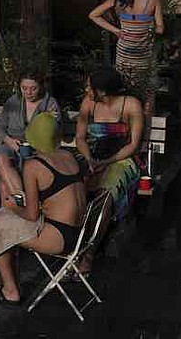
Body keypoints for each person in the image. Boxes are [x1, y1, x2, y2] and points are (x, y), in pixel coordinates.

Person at [0, 112, 87, 304]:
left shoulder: (33, 166)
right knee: (4, 221)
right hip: (80, 235)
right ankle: (11, 281)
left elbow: (31, 215)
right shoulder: (69, 156)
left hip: (56, 238)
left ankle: (10, 291)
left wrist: (12, 207)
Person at [74, 67, 144, 275]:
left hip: (122, 159)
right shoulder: (88, 104)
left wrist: (108, 162)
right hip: (92, 155)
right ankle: (66, 242)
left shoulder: (131, 105)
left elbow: (133, 145)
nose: (86, 89)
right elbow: (79, 138)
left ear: (102, 90)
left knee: (105, 194)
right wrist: (90, 159)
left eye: (90, 86)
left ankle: (89, 253)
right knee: (69, 182)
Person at [89, 0, 164, 116]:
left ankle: (126, 123)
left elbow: (93, 15)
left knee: (124, 90)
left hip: (124, 55)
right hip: (145, 56)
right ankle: (147, 128)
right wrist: (147, 28)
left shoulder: (118, 0)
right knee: (148, 93)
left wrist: (116, 30)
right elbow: (161, 29)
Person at [0, 70, 61, 200]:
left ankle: (21, 203)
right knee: (1, 156)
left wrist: (53, 121)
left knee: (4, 183)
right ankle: (21, 197)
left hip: (37, 149)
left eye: (33, 88)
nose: (28, 93)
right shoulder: (13, 102)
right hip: (13, 144)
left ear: (41, 86)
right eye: (24, 88)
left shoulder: (49, 103)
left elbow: (56, 135)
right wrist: (8, 140)